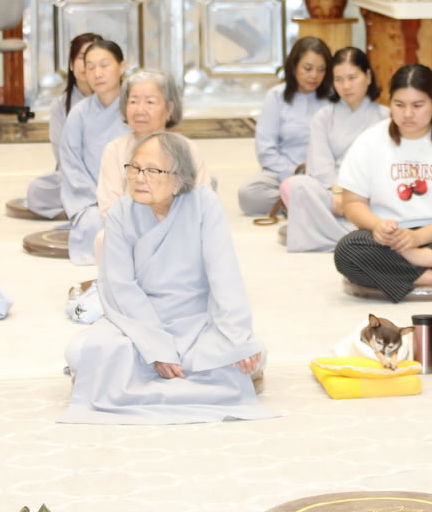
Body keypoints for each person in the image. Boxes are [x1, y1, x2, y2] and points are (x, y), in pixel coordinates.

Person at [61, 131, 274, 424]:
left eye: (152, 171)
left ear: (178, 179)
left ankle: (136, 376)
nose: (139, 178)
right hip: (136, 326)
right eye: (134, 168)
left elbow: (224, 275)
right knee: (78, 352)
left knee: (253, 351)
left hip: (198, 322)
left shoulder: (205, 204)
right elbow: (119, 288)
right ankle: (182, 372)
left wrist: (237, 337)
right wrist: (156, 348)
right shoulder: (122, 211)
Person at [333, 63, 432, 301]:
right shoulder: (369, 141)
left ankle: (419, 263)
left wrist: (418, 241)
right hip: (391, 240)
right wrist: (377, 226)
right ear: (390, 103)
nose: (408, 114)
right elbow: (352, 202)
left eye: (418, 105)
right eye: (399, 105)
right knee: (348, 249)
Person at [91, 67, 213, 262]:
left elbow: (203, 202)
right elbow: (109, 207)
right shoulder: (115, 149)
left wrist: (167, 228)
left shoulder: (188, 149)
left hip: (179, 232)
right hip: (132, 232)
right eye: (133, 101)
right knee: (103, 239)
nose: (140, 110)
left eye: (150, 102)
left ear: (169, 109)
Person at [283, 46, 389, 252]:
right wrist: (337, 191)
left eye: (352, 77)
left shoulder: (386, 117)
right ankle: (355, 239)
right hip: (332, 194)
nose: (346, 86)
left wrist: (354, 196)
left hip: (369, 195)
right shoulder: (323, 117)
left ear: (368, 76)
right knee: (299, 186)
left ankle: (326, 235)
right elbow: (320, 163)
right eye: (338, 79)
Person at [237, 36, 337, 216]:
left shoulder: (333, 98)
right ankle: (315, 204)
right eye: (308, 68)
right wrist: (294, 174)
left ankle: (304, 203)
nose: (314, 76)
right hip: (282, 173)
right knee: (248, 194)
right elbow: (266, 150)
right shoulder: (276, 96)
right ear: (294, 66)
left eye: (321, 69)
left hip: (324, 175)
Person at [58, 38, 130, 266]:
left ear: (122, 66)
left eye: (104, 65)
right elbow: (71, 166)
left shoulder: (136, 108)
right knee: (96, 225)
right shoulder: (79, 114)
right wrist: (100, 200)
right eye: (90, 67)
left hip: (133, 195)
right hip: (92, 199)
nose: (97, 73)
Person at [24, 33, 101, 220]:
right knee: (37, 190)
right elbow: (61, 154)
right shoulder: (60, 105)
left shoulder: (115, 100)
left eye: (94, 59)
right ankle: (89, 204)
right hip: (74, 177)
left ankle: (84, 205)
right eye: (82, 57)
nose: (87, 64)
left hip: (108, 174)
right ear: (71, 64)